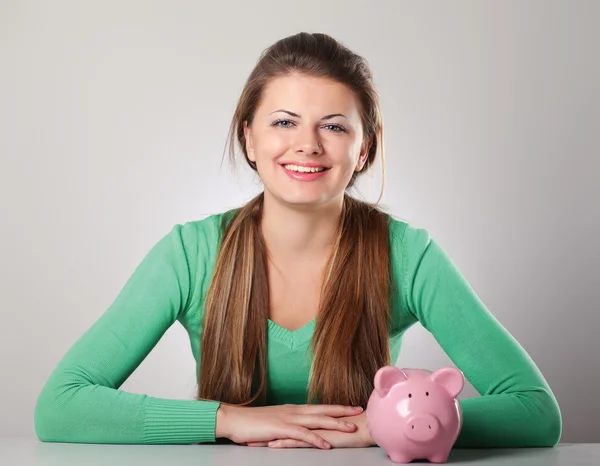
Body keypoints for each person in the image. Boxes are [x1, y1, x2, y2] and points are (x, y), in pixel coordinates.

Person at [34, 32, 562, 449]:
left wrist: (386, 425)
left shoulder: (408, 254)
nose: (306, 144)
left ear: (363, 149)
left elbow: (535, 413)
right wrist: (230, 421)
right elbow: (60, 405)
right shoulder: (189, 254)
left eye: (333, 127)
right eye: (284, 121)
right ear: (249, 136)